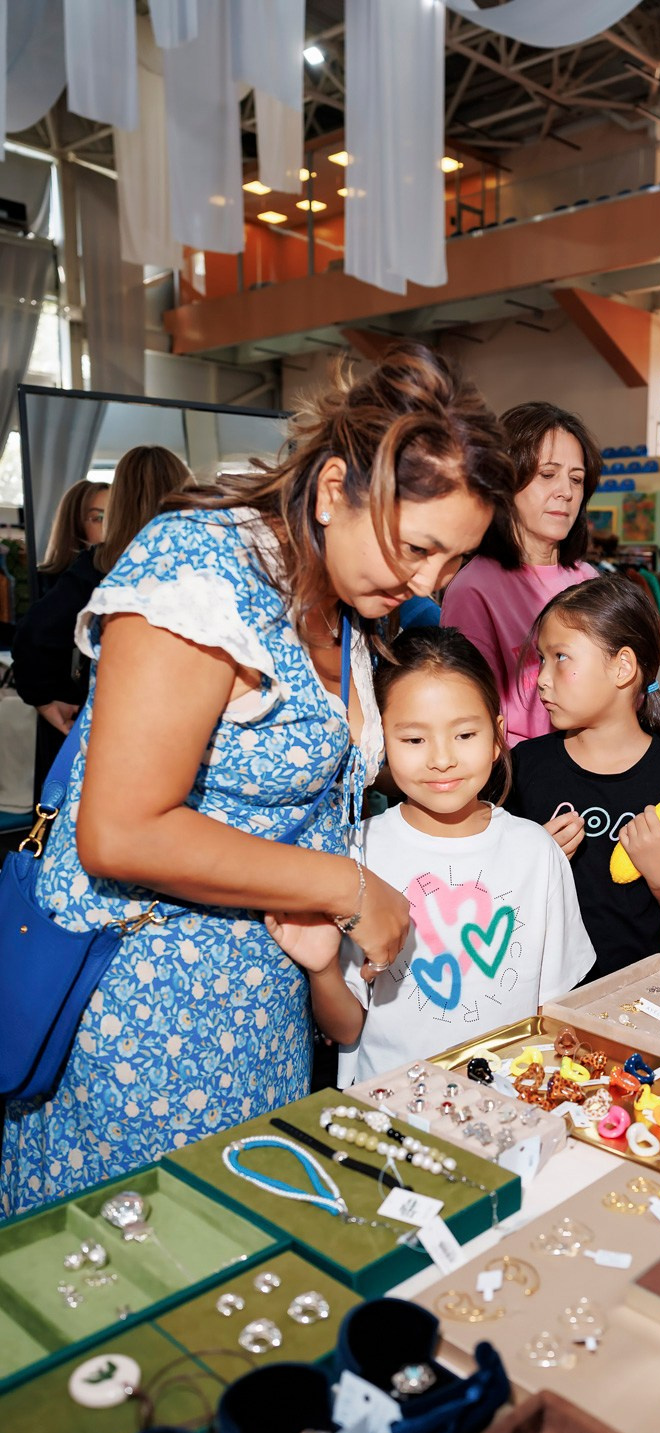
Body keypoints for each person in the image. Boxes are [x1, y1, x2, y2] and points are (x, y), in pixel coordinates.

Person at [1, 348, 515, 1216]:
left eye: (452, 560)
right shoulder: (200, 573)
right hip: (145, 1020)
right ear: (329, 493)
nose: (429, 583)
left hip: (260, 1011)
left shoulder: (341, 596)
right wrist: (347, 886)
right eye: (419, 547)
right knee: (138, 1269)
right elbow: (121, 830)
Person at [269, 628, 594, 1081]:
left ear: (498, 735)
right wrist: (323, 969)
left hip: (509, 1106)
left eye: (464, 734)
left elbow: (553, 1010)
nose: (442, 759)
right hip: (389, 1110)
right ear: (381, 739)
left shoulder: (537, 853)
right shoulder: (354, 855)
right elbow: (345, 1029)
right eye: (414, 740)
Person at [507, 575, 660, 977]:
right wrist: (532, 856)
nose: (540, 677)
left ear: (622, 667)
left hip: (632, 997)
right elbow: (489, 882)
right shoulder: (522, 766)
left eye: (560, 657)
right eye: (541, 658)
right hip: (533, 993)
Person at [14, 450, 187, 791]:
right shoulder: (206, 563)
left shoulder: (104, 563)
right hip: (187, 726)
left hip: (113, 729)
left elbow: (35, 635)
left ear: (120, 500)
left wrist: (50, 698)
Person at [440, 401, 600, 745]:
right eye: (547, 475)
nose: (566, 492)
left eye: (576, 479)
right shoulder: (474, 588)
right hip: (521, 777)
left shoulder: (589, 580)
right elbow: (472, 712)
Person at [36, 478, 109, 584]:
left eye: (115, 518)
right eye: (99, 518)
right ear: (74, 524)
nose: (110, 527)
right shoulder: (42, 583)